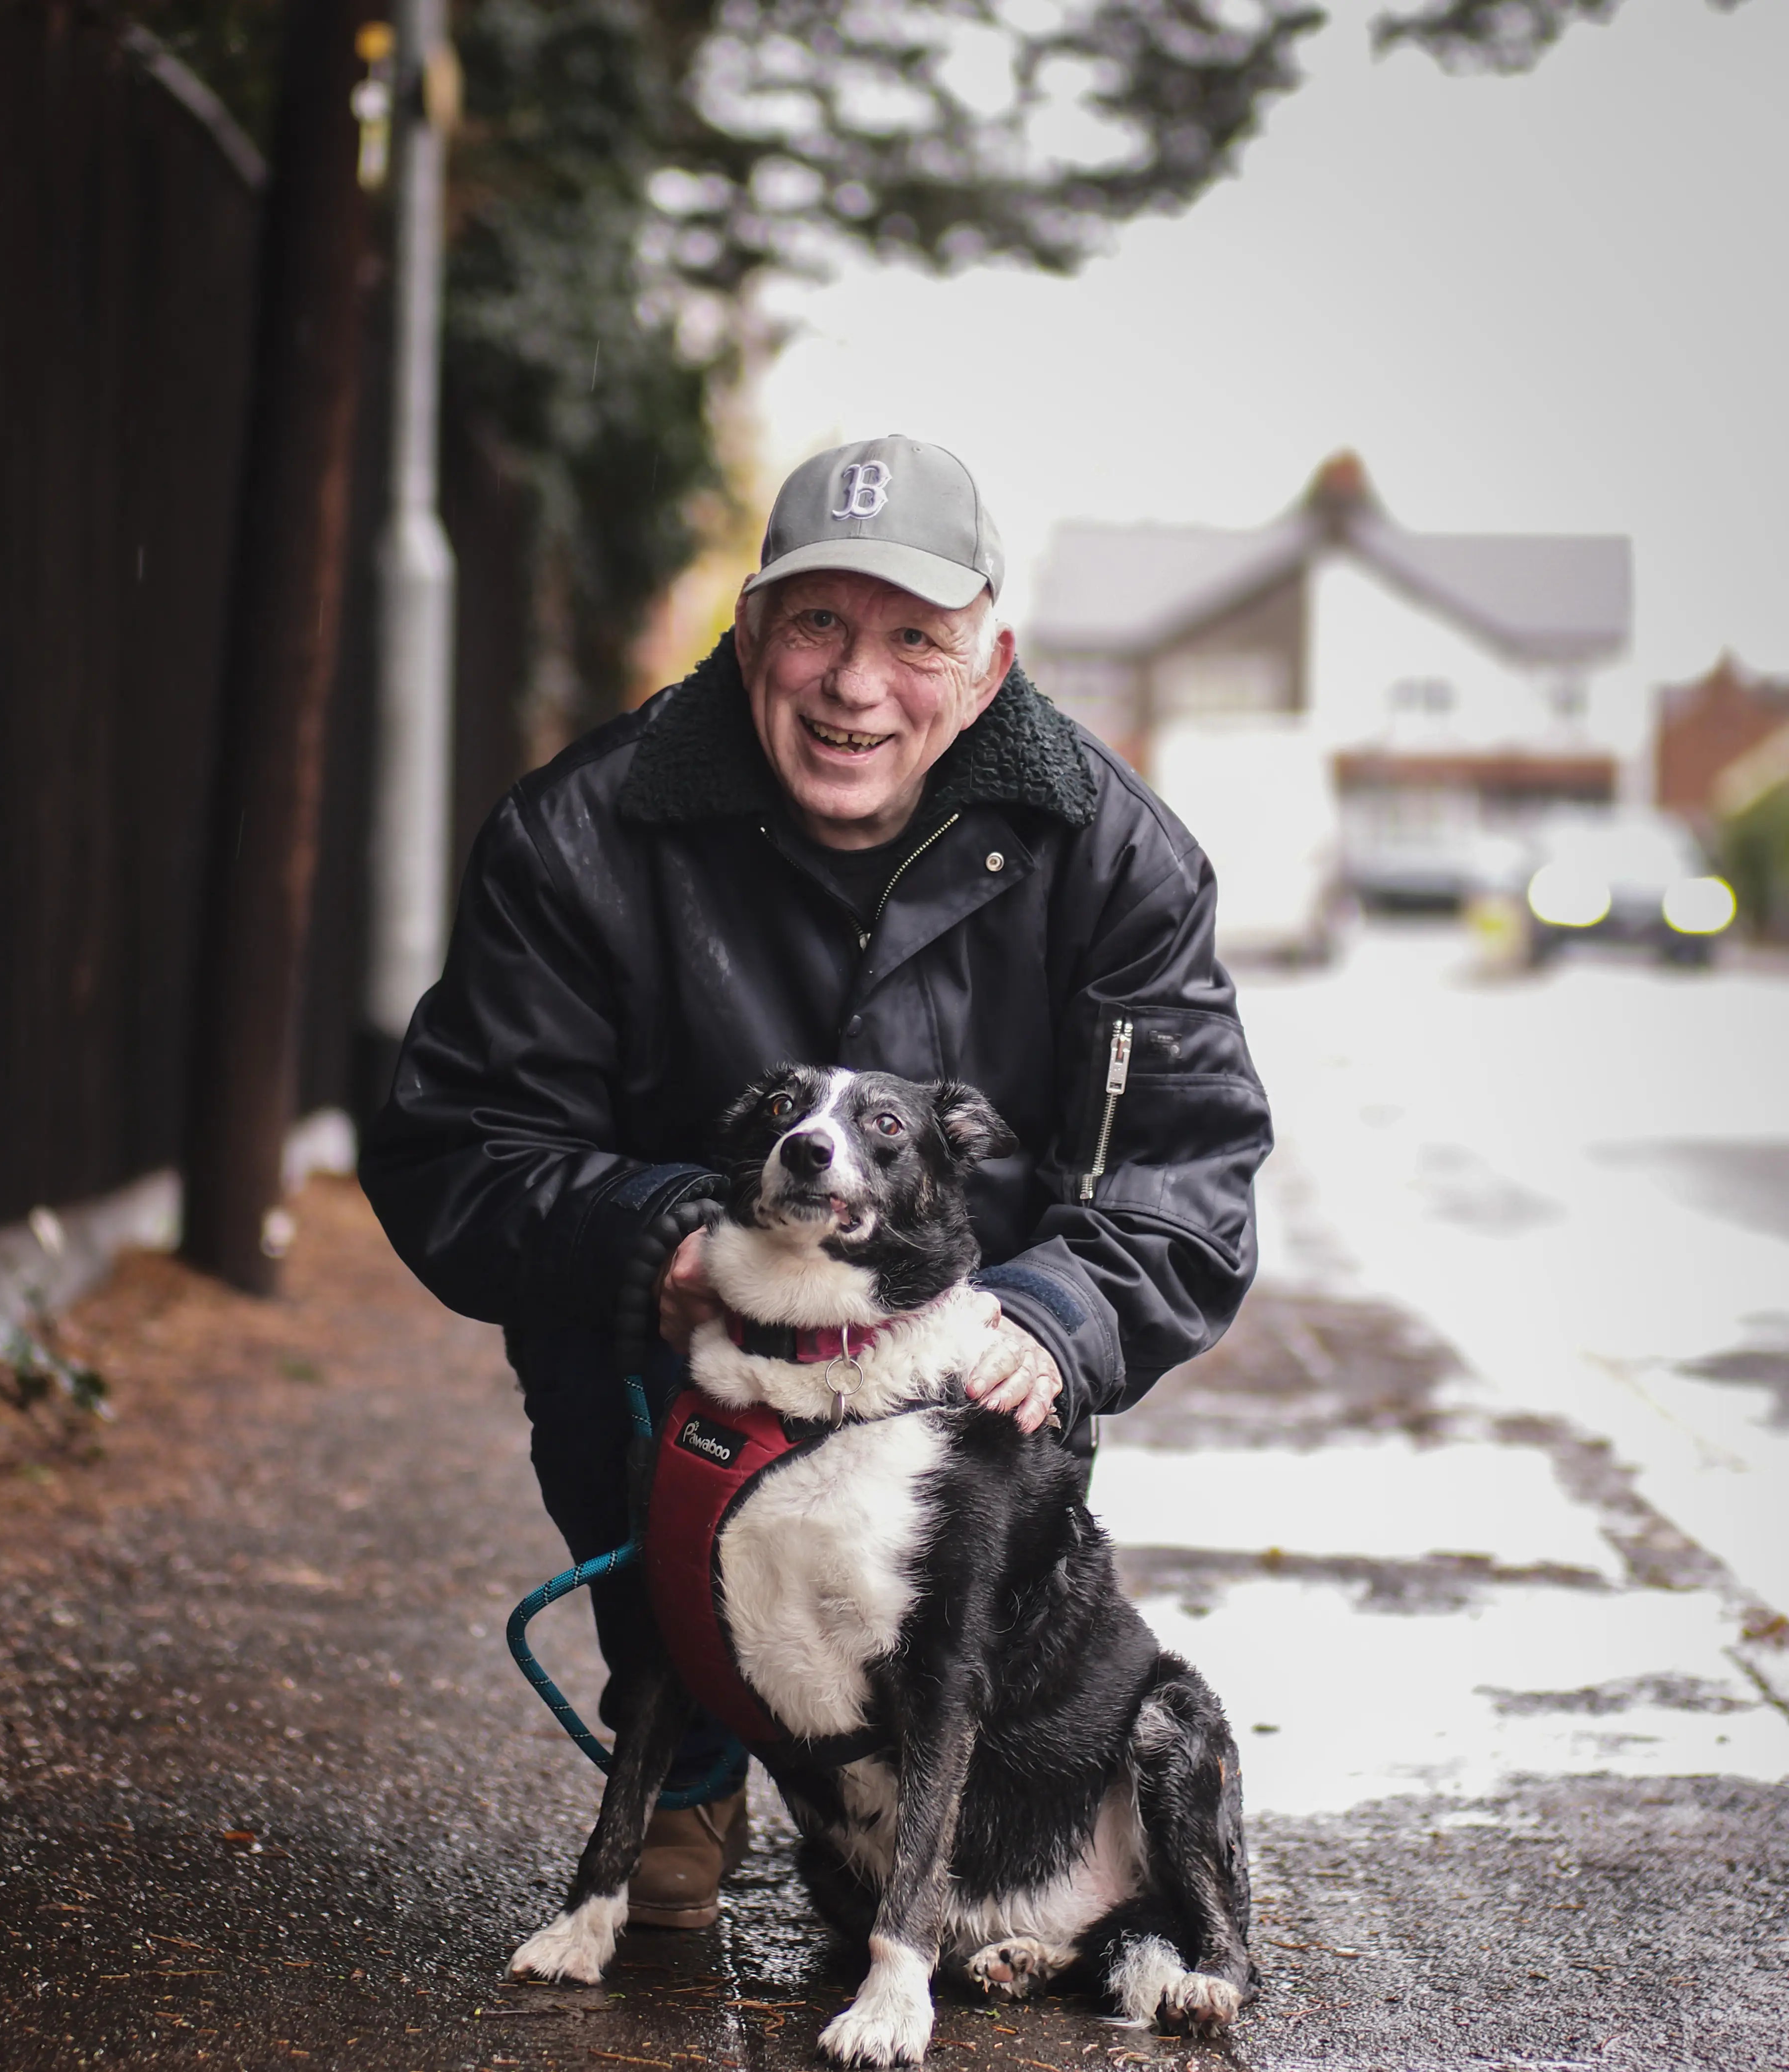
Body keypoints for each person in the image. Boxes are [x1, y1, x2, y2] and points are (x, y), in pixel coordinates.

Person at [360, 434, 1272, 1925]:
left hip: (955, 1371)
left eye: (916, 638)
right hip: (688, 1370)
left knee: (972, 1606)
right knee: (593, 1322)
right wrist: (654, 1233)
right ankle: (690, 1768)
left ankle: (917, 1786)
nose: (859, 685)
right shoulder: (582, 832)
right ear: (750, 632)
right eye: (819, 626)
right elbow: (459, 1142)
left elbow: (1191, 1163)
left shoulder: (1114, 854)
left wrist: (1053, 1315)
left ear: (990, 661)